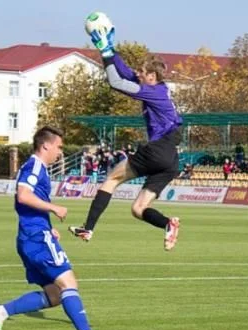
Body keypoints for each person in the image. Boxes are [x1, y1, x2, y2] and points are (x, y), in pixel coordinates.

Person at [0, 126, 114, 330]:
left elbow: (27, 202)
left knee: (54, 295)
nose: (60, 152)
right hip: (35, 237)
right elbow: (23, 195)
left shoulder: (38, 168)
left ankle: (2, 312)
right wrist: (53, 208)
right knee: (69, 284)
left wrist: (48, 226)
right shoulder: (34, 165)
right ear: (46, 145)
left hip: (33, 235)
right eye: (59, 146)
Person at [68, 26, 181, 250]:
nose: (138, 73)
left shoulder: (153, 91)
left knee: (111, 179)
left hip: (157, 149)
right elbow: (125, 72)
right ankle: (168, 224)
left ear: (152, 76)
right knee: (138, 209)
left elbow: (116, 82)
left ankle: (88, 228)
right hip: (171, 160)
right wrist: (108, 50)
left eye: (142, 72)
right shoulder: (158, 88)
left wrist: (105, 51)